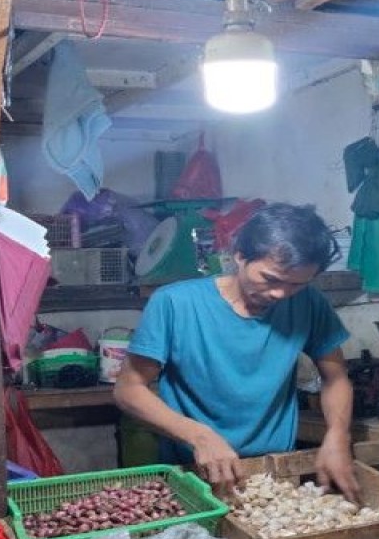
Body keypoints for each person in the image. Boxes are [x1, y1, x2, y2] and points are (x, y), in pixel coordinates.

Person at [113, 203, 361, 501]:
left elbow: (335, 377)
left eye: (296, 284)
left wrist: (337, 435)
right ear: (239, 255)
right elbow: (129, 390)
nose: (281, 293)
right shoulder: (175, 304)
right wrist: (199, 436)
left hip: (274, 472)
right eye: (270, 279)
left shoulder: (308, 302)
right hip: (194, 468)